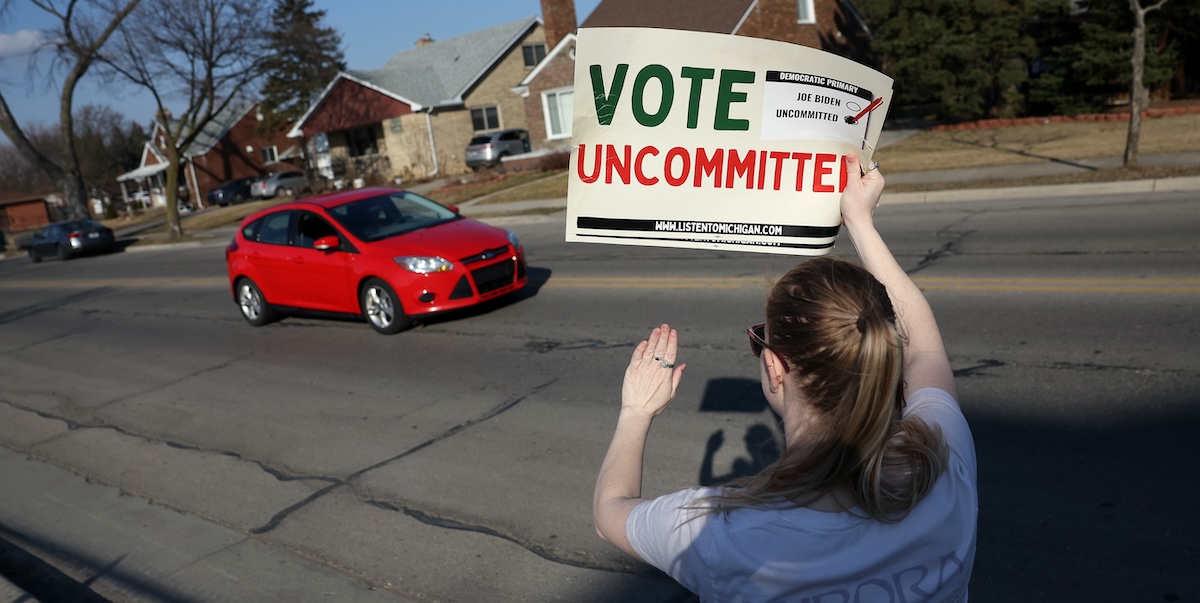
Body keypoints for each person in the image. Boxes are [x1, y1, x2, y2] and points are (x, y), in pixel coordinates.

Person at [593, 154, 977, 602]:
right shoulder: (942, 459)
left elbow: (609, 513)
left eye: (762, 339)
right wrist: (860, 222)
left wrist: (636, 412)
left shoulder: (723, 533)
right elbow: (925, 349)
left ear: (775, 366)